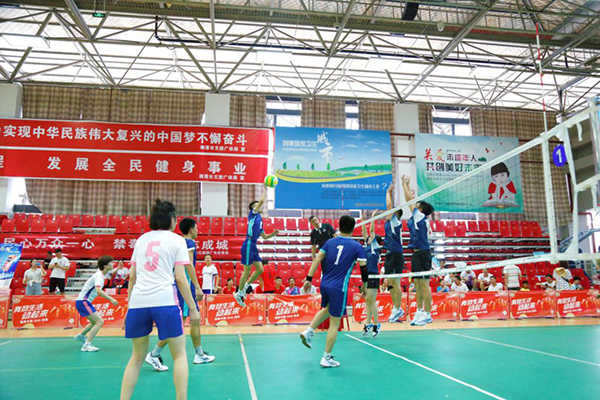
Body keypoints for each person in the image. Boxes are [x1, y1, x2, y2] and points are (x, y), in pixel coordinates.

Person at [120, 200, 201, 400]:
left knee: (136, 358)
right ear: (172, 219)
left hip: (138, 302)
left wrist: (129, 308)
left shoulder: (141, 240)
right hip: (165, 301)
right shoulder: (177, 241)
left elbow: (132, 277)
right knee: (179, 355)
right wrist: (192, 308)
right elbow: (180, 278)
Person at [146, 218, 214, 372]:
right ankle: (154, 354)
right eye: (196, 228)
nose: (198, 231)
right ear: (191, 229)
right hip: (185, 288)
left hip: (180, 287)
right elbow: (188, 265)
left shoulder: (177, 243)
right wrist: (197, 287)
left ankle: (199, 354)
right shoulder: (188, 243)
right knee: (179, 324)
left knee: (194, 321)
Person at [300, 215, 367, 368]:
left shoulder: (329, 242)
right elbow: (364, 268)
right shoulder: (357, 246)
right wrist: (364, 286)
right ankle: (326, 357)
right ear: (353, 228)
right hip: (339, 287)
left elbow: (317, 259)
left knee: (327, 309)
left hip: (325, 283)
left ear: (339, 226)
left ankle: (309, 331)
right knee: (335, 323)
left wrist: (309, 278)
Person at [234, 186, 279, 307]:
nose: (259, 206)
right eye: (257, 205)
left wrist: (274, 233)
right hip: (248, 243)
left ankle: (246, 286)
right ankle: (239, 292)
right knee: (247, 271)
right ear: (253, 208)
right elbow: (262, 201)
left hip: (253, 245)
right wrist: (266, 189)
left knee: (260, 270)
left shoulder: (260, 220)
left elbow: (264, 237)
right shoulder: (253, 214)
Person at [402, 175, 435, 327]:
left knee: (424, 285)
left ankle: (427, 313)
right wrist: (408, 186)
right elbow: (411, 201)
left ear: (420, 209)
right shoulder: (418, 218)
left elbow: (408, 201)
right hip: (416, 253)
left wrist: (404, 185)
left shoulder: (419, 216)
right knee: (417, 284)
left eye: (417, 205)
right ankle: (420, 311)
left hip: (423, 253)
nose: (414, 205)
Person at [74, 255, 119, 352]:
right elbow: (98, 290)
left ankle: (81, 336)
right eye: (111, 262)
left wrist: (118, 268)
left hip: (82, 301)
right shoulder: (99, 276)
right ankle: (87, 344)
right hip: (83, 301)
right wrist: (111, 299)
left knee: (94, 322)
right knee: (100, 322)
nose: (113, 264)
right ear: (105, 265)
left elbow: (111, 272)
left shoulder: (100, 273)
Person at [383, 182, 405, 323]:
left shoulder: (395, 222)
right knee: (390, 284)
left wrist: (388, 192)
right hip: (389, 253)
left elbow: (389, 206)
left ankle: (398, 307)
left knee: (395, 284)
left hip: (396, 254)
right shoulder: (388, 223)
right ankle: (395, 308)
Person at [361, 210, 383, 337]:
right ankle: (368, 323)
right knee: (368, 300)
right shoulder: (368, 246)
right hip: (367, 276)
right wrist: (363, 220)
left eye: (370, 238)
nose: (368, 238)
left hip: (374, 275)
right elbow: (365, 232)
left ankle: (377, 324)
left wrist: (373, 218)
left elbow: (371, 231)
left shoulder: (375, 247)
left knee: (372, 301)